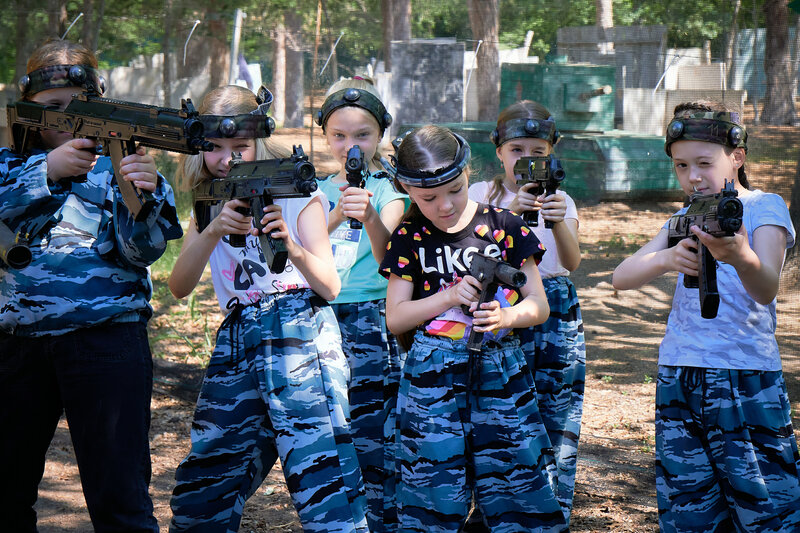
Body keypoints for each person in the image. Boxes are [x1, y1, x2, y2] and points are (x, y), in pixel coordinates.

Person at [167, 85, 368, 532]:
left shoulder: (296, 189)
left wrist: (291, 246)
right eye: (214, 148)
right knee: (209, 475)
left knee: (323, 476)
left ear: (258, 139)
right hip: (238, 335)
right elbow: (179, 286)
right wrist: (215, 228)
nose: (227, 159)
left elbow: (329, 285)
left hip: (300, 331)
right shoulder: (210, 197)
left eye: (239, 146)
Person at [0, 39, 180, 532]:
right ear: (26, 109)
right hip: (15, 344)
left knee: (119, 499)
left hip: (107, 339)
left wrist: (137, 194)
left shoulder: (125, 165)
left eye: (78, 105)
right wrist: (45, 173)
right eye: (51, 107)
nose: (65, 116)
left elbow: (142, 252)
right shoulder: (7, 163)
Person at [612, 101, 800, 532]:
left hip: (745, 374)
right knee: (688, 507)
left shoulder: (762, 207)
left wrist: (740, 256)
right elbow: (622, 277)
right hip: (680, 372)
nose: (692, 176)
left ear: (737, 157)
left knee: (767, 507)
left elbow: (765, 287)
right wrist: (667, 259)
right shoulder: (683, 216)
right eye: (681, 166)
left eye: (703, 163)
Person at [379, 125, 568, 532]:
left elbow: (538, 305)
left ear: (469, 175)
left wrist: (506, 317)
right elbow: (396, 318)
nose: (444, 206)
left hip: (501, 371)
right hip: (432, 377)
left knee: (520, 488)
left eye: (456, 190)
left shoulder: (506, 226)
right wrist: (448, 298)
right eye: (428, 198)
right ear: (406, 189)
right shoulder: (409, 237)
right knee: (431, 492)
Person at [468, 100, 584, 525]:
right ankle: (492, 511)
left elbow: (571, 262)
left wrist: (557, 221)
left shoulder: (563, 199)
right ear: (499, 150)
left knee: (556, 407)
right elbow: (474, 251)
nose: (527, 161)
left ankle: (551, 510)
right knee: (497, 407)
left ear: (552, 153)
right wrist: (513, 212)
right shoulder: (480, 194)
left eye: (538, 152)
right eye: (517, 150)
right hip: (497, 304)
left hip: (554, 309)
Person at [315, 76, 408, 532]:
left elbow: (390, 256)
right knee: (332, 430)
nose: (350, 144)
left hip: (371, 317)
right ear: (326, 136)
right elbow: (301, 245)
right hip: (320, 315)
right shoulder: (313, 187)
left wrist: (368, 212)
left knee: (376, 432)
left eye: (362, 135)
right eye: (339, 135)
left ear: (380, 135)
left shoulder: (391, 189)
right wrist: (334, 213)